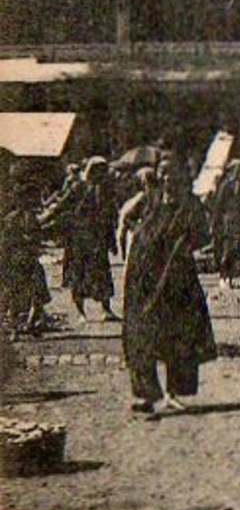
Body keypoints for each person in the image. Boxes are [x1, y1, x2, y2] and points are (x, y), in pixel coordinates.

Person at [122, 157, 217, 415]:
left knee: (178, 334)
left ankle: (174, 392)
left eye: (171, 174)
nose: (166, 179)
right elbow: (127, 218)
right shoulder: (149, 198)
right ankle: (146, 394)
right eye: (162, 174)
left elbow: (203, 236)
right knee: (141, 332)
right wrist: (141, 233)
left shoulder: (191, 204)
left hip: (177, 277)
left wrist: (184, 246)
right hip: (143, 274)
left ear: (182, 177)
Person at [50, 156, 119, 321]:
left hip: (97, 238)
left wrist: (112, 240)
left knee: (101, 274)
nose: (103, 175)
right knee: (77, 275)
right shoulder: (77, 187)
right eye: (100, 171)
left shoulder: (105, 191)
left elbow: (108, 217)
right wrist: (44, 219)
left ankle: (106, 310)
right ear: (92, 171)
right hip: (78, 238)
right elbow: (61, 206)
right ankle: (81, 313)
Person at [0, 159, 50, 334]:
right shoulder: (18, 217)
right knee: (28, 291)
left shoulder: (16, 216)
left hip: (20, 258)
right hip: (19, 258)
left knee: (24, 291)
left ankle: (27, 321)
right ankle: (25, 322)